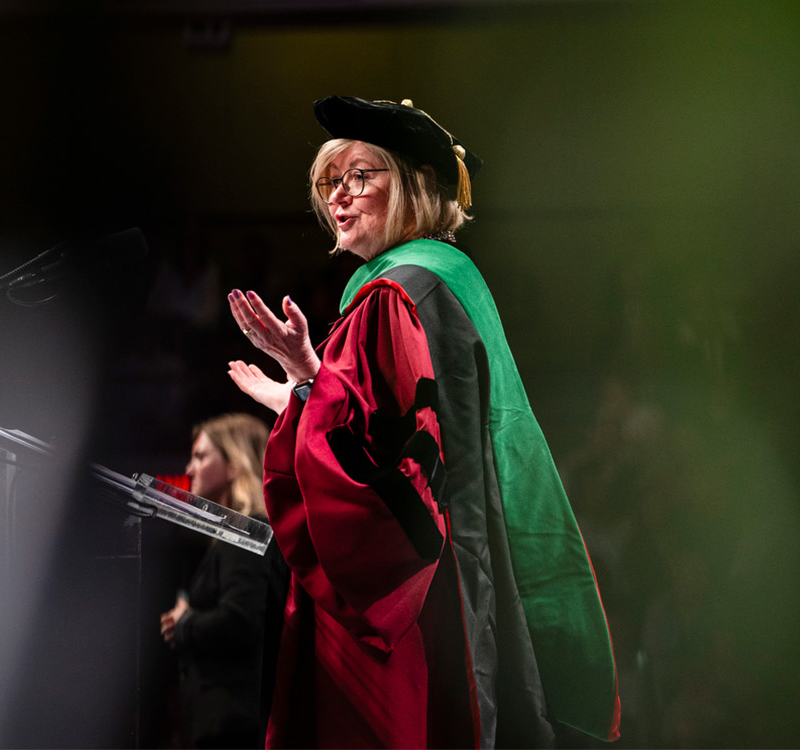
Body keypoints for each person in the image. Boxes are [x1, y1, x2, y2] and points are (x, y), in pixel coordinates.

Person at [224, 96, 621, 748]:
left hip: (430, 590)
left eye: (361, 176)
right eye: (331, 182)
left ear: (416, 187)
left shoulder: (398, 290)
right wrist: (300, 387)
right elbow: (400, 416)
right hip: (476, 550)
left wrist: (304, 385)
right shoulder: (449, 278)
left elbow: (381, 466)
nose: (340, 198)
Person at [159, 413, 289, 748]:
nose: (189, 468)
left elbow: (240, 620)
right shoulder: (238, 534)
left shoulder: (244, 536)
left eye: (201, 456)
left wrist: (184, 623)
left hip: (233, 728)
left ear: (234, 465)